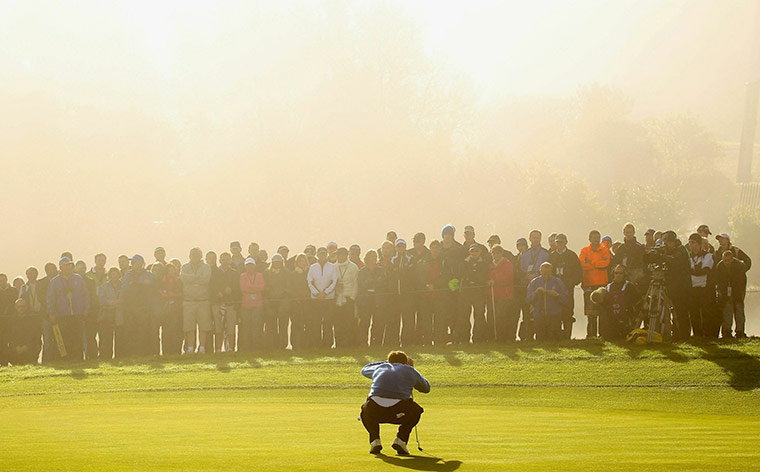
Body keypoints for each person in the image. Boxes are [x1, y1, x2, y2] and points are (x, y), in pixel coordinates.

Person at [360, 351, 430, 456]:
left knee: (364, 409)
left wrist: (386, 362)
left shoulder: (379, 368)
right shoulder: (410, 369)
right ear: (405, 361)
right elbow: (426, 388)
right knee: (417, 410)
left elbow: (364, 369)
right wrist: (411, 368)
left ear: (388, 361)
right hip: (399, 410)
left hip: (374, 409)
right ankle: (401, 440)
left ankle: (375, 441)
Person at [644, 231, 691, 341]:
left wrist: (661, 256)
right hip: (671, 284)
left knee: (680, 311)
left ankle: (683, 335)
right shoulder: (668, 251)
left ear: (674, 242)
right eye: (665, 242)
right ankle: (672, 334)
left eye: (669, 242)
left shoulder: (681, 250)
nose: (667, 245)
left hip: (681, 286)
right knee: (672, 310)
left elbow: (674, 261)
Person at [46, 257, 90, 360]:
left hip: (77, 314)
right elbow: (50, 298)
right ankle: (66, 359)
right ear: (60, 267)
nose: (68, 267)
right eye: (65, 265)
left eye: (69, 265)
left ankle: (78, 357)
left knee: (77, 337)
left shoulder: (78, 278)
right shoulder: (54, 281)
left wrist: (86, 308)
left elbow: (85, 294)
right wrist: (52, 312)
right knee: (65, 337)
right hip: (62, 315)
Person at [415, 240, 452, 346]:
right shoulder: (422, 261)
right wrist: (427, 285)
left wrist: (434, 285)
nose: (435, 250)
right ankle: (427, 341)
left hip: (439, 295)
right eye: (433, 247)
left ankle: (439, 340)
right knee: (426, 319)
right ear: (430, 248)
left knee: (440, 319)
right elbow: (419, 276)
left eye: (437, 248)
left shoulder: (444, 261)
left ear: (440, 249)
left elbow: (446, 276)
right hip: (425, 295)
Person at [120, 254, 155, 357]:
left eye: (134, 262)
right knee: (131, 330)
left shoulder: (148, 274)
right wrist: (139, 286)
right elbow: (125, 288)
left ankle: (144, 352)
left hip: (143, 308)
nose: (132, 264)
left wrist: (135, 285)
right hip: (130, 307)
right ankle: (132, 352)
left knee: (143, 330)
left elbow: (149, 288)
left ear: (140, 263)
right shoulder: (128, 275)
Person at [548, 233, 582, 339]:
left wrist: (571, 283)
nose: (559, 244)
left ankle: (567, 336)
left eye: (561, 242)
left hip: (568, 290)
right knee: (555, 313)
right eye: (557, 242)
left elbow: (579, 273)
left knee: (567, 313)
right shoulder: (552, 256)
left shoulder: (572, 255)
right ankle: (556, 336)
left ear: (566, 242)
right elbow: (547, 272)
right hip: (554, 290)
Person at [518, 230, 550, 340]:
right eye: (534, 237)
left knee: (539, 311)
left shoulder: (545, 253)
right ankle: (528, 336)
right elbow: (521, 270)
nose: (536, 240)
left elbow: (548, 269)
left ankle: (540, 336)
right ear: (530, 238)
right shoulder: (525, 254)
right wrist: (527, 277)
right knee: (527, 311)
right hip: (527, 286)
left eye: (538, 238)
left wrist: (536, 275)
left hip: (540, 285)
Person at [579, 230, 611, 339]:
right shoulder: (584, 250)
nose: (596, 239)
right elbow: (582, 264)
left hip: (601, 284)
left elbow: (606, 263)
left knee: (602, 311)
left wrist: (591, 263)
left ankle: (603, 334)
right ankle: (591, 335)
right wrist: (597, 264)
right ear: (590, 239)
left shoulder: (604, 249)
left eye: (598, 237)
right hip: (588, 284)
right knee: (590, 312)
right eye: (594, 237)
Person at [526, 262, 568, 341]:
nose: (546, 275)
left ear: (551, 272)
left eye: (548, 272)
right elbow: (528, 299)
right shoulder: (534, 282)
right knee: (541, 339)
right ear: (540, 271)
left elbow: (565, 299)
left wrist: (557, 295)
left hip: (554, 316)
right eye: (544, 272)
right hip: (539, 316)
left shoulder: (558, 282)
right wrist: (536, 293)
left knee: (553, 339)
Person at [596, 265, 639, 340]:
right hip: (611, 320)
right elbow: (603, 304)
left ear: (624, 274)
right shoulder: (608, 287)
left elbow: (637, 302)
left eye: (621, 273)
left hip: (626, 319)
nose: (618, 275)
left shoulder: (629, 286)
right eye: (616, 273)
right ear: (613, 274)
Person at [307, 247, 338, 348]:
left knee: (328, 322)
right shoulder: (312, 267)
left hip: (329, 299)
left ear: (326, 255)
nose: (322, 256)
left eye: (324, 254)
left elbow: (334, 281)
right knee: (316, 322)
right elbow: (309, 281)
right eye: (320, 254)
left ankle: (327, 344)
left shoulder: (332, 267)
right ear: (317, 255)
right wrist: (317, 293)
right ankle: (316, 343)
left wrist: (325, 293)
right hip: (316, 299)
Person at [714, 250, 749, 339]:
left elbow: (742, 281)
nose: (727, 263)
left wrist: (738, 295)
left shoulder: (739, 266)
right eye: (725, 260)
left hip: (738, 289)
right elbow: (719, 282)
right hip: (726, 289)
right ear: (722, 259)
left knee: (739, 310)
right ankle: (726, 332)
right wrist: (723, 294)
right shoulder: (720, 266)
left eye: (729, 260)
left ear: (732, 259)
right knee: (727, 310)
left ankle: (740, 332)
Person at [459, 244, 490, 343]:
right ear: (469, 252)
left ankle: (478, 338)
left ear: (480, 252)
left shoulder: (484, 263)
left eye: (476, 251)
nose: (474, 253)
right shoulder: (464, 262)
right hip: (466, 293)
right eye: (472, 251)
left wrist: (473, 279)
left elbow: (484, 276)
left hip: (479, 292)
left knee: (479, 315)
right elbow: (463, 274)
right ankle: (464, 338)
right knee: (464, 315)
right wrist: (472, 279)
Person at [388, 239, 416, 346]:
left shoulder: (410, 259)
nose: (400, 248)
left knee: (408, 320)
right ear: (396, 247)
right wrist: (402, 271)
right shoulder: (392, 260)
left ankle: (407, 342)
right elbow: (390, 274)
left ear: (405, 247)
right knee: (394, 320)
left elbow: (410, 275)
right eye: (398, 246)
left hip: (407, 295)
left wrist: (399, 271)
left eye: (402, 246)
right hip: (394, 296)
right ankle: (394, 342)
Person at [211, 252, 240, 352]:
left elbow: (238, 289)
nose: (225, 262)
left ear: (230, 261)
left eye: (227, 260)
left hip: (230, 304)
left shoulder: (235, 273)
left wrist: (231, 290)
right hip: (217, 304)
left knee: (231, 328)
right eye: (223, 260)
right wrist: (217, 293)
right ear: (220, 260)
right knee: (218, 328)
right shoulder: (215, 272)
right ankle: (218, 349)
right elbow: (212, 287)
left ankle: (230, 348)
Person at [358, 250, 388, 347]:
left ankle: (376, 343)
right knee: (364, 323)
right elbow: (362, 284)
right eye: (372, 256)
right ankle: (363, 343)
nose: (374, 258)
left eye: (375, 256)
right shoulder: (361, 272)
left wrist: (372, 284)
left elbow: (382, 283)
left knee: (378, 323)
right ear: (367, 258)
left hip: (378, 301)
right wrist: (373, 284)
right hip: (365, 301)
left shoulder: (381, 270)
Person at [687, 233, 714, 338]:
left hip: (704, 289)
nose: (690, 245)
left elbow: (705, 271)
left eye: (692, 242)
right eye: (689, 242)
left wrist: (693, 271)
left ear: (698, 243)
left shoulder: (707, 256)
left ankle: (707, 334)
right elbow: (686, 271)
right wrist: (695, 270)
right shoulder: (688, 257)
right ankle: (697, 334)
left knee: (705, 312)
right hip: (692, 288)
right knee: (694, 313)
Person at [489, 245, 517, 342]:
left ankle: (503, 337)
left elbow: (509, 278)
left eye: (497, 253)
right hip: (494, 295)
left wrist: (495, 281)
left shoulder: (507, 263)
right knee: (494, 316)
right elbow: (487, 277)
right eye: (494, 253)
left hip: (505, 295)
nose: (495, 255)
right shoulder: (491, 265)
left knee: (502, 316)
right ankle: (495, 337)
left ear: (501, 253)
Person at [264, 254, 291, 350]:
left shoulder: (286, 273)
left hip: (283, 302)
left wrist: (284, 301)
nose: (277, 264)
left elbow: (288, 288)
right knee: (271, 325)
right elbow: (264, 289)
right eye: (275, 262)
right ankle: (273, 345)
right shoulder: (267, 273)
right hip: (271, 302)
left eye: (279, 262)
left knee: (283, 325)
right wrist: (267, 303)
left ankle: (283, 345)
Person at [157, 262, 184, 355]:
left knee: (177, 331)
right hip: (165, 310)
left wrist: (172, 295)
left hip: (177, 310)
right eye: (169, 271)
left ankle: (177, 351)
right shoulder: (162, 281)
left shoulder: (179, 281)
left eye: (172, 270)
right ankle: (166, 351)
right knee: (166, 331)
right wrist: (169, 295)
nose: (171, 273)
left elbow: (181, 293)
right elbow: (160, 293)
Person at [334, 247, 359, 348]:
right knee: (338, 321)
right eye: (338, 255)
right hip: (337, 298)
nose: (339, 257)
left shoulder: (353, 267)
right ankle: (339, 344)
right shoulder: (334, 266)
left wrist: (352, 297)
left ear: (346, 255)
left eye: (341, 254)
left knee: (349, 322)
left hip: (349, 298)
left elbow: (356, 283)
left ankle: (350, 343)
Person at [74, 260, 100, 359]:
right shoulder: (72, 281)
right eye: (80, 268)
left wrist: (88, 308)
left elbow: (92, 296)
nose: (82, 270)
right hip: (76, 313)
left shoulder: (90, 281)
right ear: (76, 269)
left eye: (84, 268)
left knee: (90, 335)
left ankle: (92, 355)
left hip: (89, 312)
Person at [239, 258, 266, 351]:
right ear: (245, 266)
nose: (249, 267)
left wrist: (250, 287)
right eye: (248, 265)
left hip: (258, 304)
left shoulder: (259, 275)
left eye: (251, 265)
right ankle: (247, 346)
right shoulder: (242, 276)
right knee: (246, 326)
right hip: (245, 305)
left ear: (254, 266)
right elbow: (243, 288)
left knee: (256, 325)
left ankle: (256, 346)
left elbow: (262, 287)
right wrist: (255, 288)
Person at [96, 267, 122, 359]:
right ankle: (106, 356)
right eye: (112, 274)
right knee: (106, 336)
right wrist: (112, 303)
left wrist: (120, 302)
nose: (114, 276)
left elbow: (126, 297)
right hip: (107, 314)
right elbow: (101, 299)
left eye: (116, 273)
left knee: (119, 336)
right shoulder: (104, 286)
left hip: (119, 314)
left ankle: (119, 355)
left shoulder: (123, 285)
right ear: (109, 275)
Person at [612, 223, 647, 289]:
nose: (629, 234)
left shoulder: (639, 247)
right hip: (623, 275)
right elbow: (616, 261)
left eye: (630, 232)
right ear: (624, 233)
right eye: (627, 232)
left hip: (636, 276)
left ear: (633, 232)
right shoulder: (621, 248)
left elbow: (643, 262)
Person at [7, 298, 41, 364]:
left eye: (23, 306)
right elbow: (10, 336)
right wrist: (16, 347)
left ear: (26, 307)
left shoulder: (32, 320)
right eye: (19, 306)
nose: (21, 308)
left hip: (29, 347)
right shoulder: (11, 321)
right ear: (15, 307)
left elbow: (34, 336)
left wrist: (26, 346)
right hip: (16, 348)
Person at [289, 254, 311, 350]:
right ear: (296, 262)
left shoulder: (309, 273)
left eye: (303, 260)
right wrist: (296, 297)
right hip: (295, 303)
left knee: (306, 323)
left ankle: (305, 344)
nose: (302, 262)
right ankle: (295, 344)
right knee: (296, 324)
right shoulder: (293, 274)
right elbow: (291, 288)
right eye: (300, 261)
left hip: (306, 302)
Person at [38, 262, 58, 363]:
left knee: (59, 338)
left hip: (59, 315)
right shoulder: (41, 283)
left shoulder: (60, 281)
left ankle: (58, 359)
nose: (53, 271)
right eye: (50, 269)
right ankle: (46, 360)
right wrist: (50, 310)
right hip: (46, 316)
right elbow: (41, 298)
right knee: (47, 339)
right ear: (46, 271)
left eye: (54, 269)